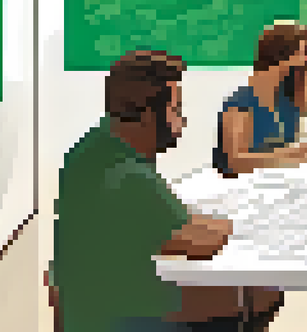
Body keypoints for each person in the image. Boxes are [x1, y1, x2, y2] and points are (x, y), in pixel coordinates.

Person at [52, 50, 281, 332]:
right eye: (176, 109)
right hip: (123, 318)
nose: (182, 122)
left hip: (84, 310)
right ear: (149, 113)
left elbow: (165, 224)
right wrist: (234, 223)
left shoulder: (88, 152)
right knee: (262, 292)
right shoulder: (129, 177)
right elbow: (201, 243)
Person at [213, 22, 307, 177]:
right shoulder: (239, 104)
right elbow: (235, 163)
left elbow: (285, 148)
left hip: (278, 183)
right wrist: (302, 154)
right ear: (283, 55)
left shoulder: (289, 102)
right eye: (303, 52)